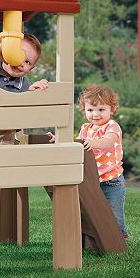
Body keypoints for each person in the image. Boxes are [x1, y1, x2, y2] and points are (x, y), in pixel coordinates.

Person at [47, 84, 128, 238]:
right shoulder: (86, 128)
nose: (95, 114)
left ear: (112, 109)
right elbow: (77, 143)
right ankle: (96, 238)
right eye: (90, 110)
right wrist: (58, 140)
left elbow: (107, 142)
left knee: (113, 214)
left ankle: (119, 238)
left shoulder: (112, 126)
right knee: (92, 213)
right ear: (84, 110)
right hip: (90, 180)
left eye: (101, 110)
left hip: (111, 181)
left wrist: (92, 143)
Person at [0, 34, 49, 146]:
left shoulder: (24, 84)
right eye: (19, 55)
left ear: (31, 69)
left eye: (28, 62)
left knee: (1, 141)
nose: (22, 63)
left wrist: (33, 91)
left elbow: (26, 111)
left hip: (2, 128)